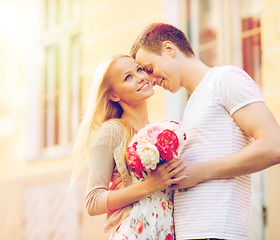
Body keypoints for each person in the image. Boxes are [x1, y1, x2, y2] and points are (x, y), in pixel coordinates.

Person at [129, 23, 280, 240]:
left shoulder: (224, 79)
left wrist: (201, 171)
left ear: (169, 49)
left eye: (150, 69)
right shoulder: (193, 102)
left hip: (217, 234)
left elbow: (274, 145)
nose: (150, 80)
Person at [71, 54, 186, 240]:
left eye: (139, 70)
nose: (140, 77)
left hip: (165, 232)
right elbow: (93, 201)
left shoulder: (160, 132)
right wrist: (149, 185)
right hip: (134, 232)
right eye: (128, 77)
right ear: (113, 95)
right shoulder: (112, 131)